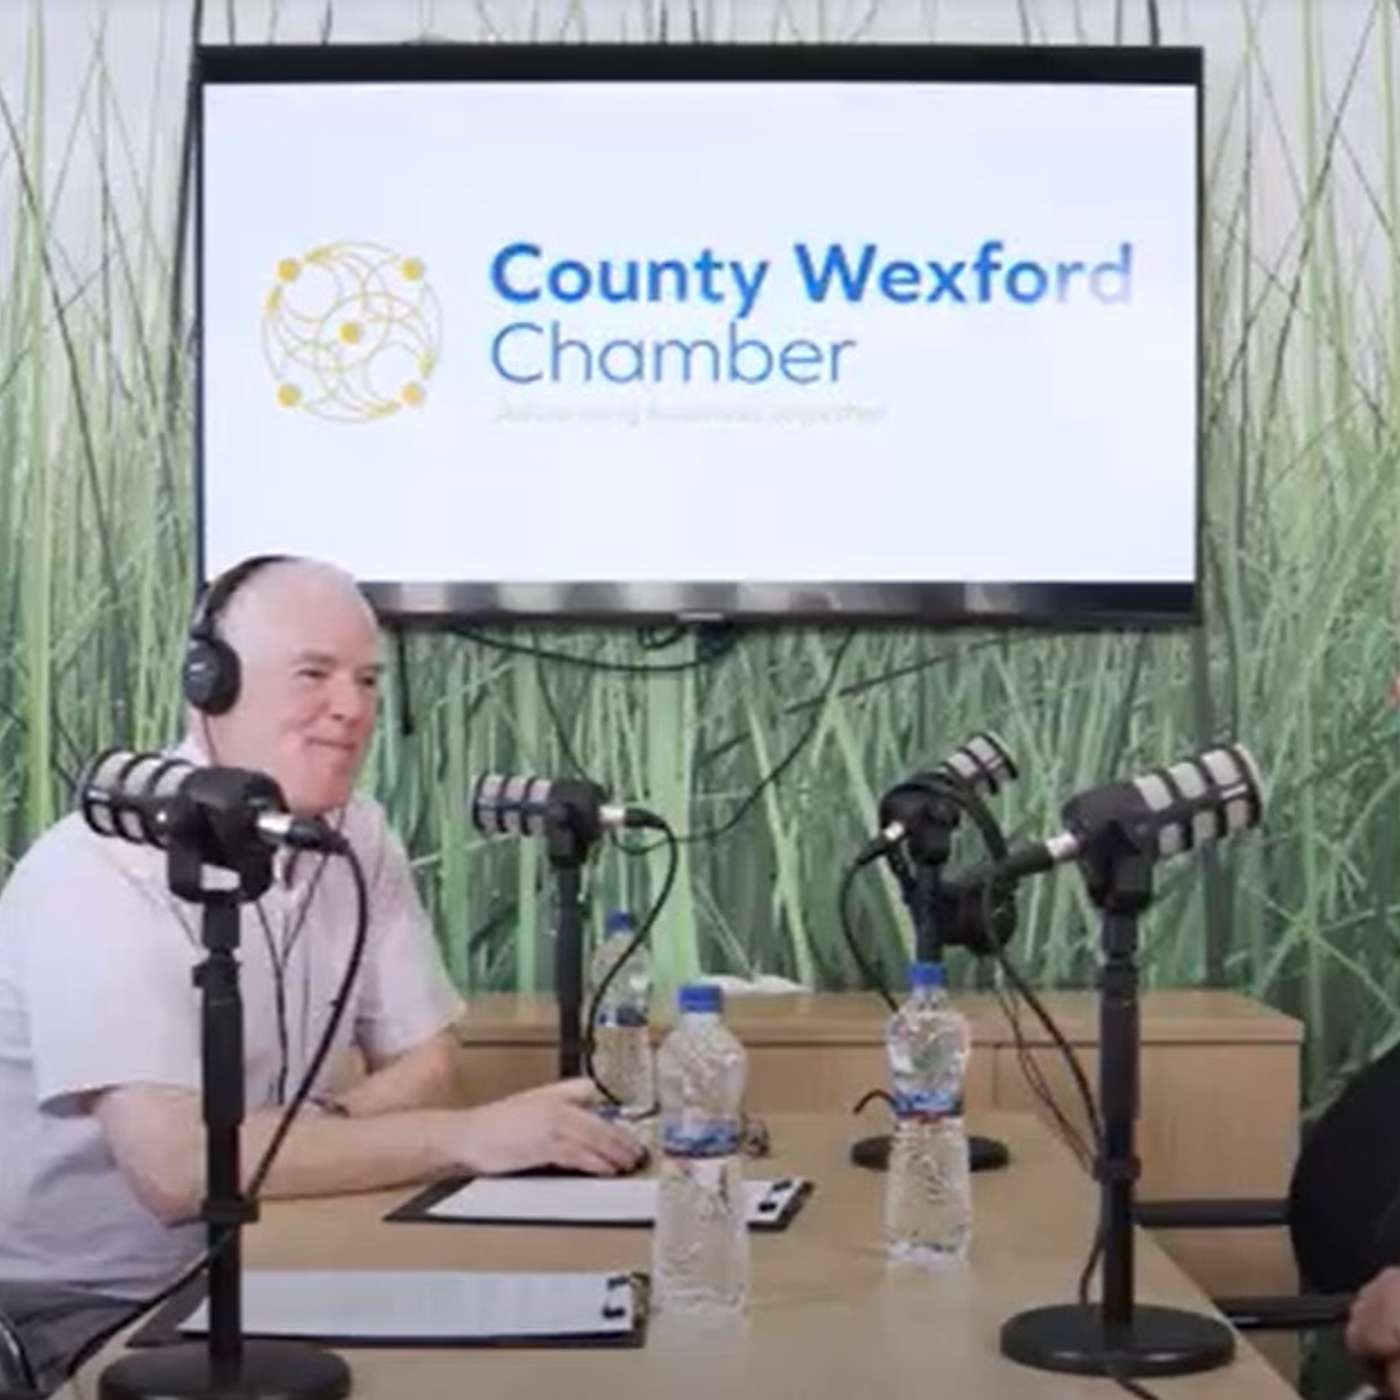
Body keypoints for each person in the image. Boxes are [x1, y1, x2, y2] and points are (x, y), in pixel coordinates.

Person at [0, 555, 642, 1392]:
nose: (352, 708)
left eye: (368, 681)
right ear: (210, 685)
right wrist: (463, 1137)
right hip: (88, 1306)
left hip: (285, 1247)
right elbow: (178, 1169)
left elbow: (430, 1065)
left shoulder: (355, 833)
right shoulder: (95, 867)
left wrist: (304, 1136)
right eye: (314, 674)